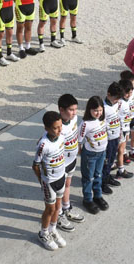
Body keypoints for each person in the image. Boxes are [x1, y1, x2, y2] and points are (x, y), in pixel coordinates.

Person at [33, 111, 67, 251]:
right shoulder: (43, 144)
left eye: (60, 126)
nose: (59, 130)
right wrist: (42, 181)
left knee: (58, 207)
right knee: (50, 209)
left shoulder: (61, 137)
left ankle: (53, 229)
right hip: (49, 182)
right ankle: (43, 233)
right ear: (46, 128)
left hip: (61, 177)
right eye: (55, 128)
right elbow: (35, 165)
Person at [56, 94, 85, 231]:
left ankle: (66, 207)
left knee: (68, 185)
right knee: (58, 192)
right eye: (71, 110)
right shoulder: (57, 127)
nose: (75, 113)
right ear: (61, 110)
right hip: (61, 165)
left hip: (72, 160)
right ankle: (58, 215)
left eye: (76, 109)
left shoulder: (74, 120)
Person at [78, 96, 108, 214]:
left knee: (98, 175)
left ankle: (98, 195)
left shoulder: (102, 120)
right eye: (95, 110)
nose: (98, 113)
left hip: (102, 152)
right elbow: (79, 140)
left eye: (100, 110)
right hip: (90, 154)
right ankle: (87, 199)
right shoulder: (85, 124)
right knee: (88, 177)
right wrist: (80, 151)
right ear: (89, 109)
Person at [101, 82, 124, 195]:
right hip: (107, 139)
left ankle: (107, 175)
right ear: (108, 94)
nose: (117, 100)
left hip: (115, 136)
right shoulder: (103, 108)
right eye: (115, 98)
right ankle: (102, 182)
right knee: (106, 160)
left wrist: (119, 132)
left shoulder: (116, 104)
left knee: (111, 159)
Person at [120, 69, 134, 162]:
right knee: (126, 138)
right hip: (125, 121)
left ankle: (133, 152)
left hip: (133, 117)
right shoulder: (122, 96)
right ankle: (124, 153)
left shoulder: (133, 91)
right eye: (132, 83)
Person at [115, 78, 134, 177]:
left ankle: (118, 166)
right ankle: (121, 170)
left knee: (121, 149)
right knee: (120, 150)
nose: (129, 95)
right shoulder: (119, 103)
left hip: (126, 128)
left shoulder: (128, 100)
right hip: (120, 130)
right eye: (127, 93)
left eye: (131, 92)